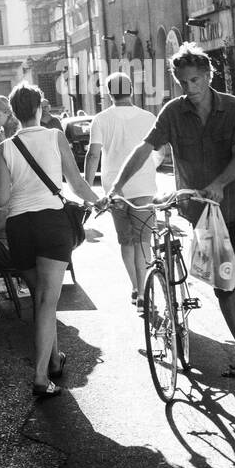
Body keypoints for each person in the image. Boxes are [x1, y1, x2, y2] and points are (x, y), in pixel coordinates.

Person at [110, 44, 235, 383]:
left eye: (196, 80)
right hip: (201, 212)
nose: (190, 88)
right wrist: (115, 187)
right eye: (183, 82)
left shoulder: (234, 107)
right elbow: (145, 149)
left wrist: (219, 184)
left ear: (209, 76)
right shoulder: (173, 112)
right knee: (223, 285)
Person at [0, 82, 102, 399]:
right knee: (46, 301)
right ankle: (41, 378)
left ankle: (54, 360)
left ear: (13, 112)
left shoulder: (5, 148)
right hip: (52, 224)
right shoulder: (55, 137)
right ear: (41, 108)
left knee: (41, 299)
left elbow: (0, 198)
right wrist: (98, 201)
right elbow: (77, 183)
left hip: (19, 227)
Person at [85, 72, 159, 308]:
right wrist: (150, 167)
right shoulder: (148, 117)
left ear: (109, 94)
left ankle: (137, 288)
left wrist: (87, 189)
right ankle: (144, 291)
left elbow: (93, 154)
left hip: (115, 189)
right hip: (144, 186)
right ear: (132, 90)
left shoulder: (101, 119)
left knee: (126, 241)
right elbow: (160, 152)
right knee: (143, 240)